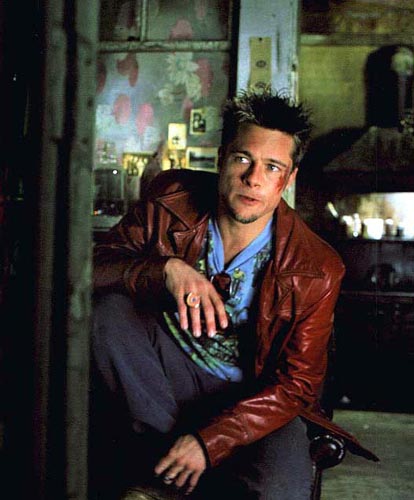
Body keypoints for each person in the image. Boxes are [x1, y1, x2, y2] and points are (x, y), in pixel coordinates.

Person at [91, 88, 378, 499]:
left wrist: (208, 443)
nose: (253, 178)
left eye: (272, 167)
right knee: (109, 311)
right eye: (243, 158)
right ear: (221, 158)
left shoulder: (317, 267)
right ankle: (165, 472)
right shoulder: (171, 199)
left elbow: (296, 385)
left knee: (280, 487)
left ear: (289, 179)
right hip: (165, 377)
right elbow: (91, 269)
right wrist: (165, 270)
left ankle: (170, 472)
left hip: (256, 400)